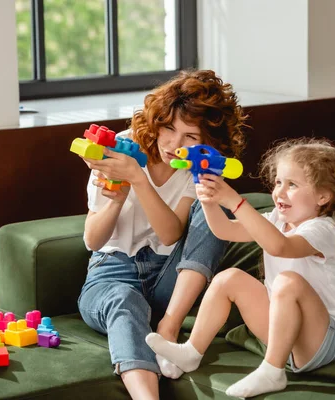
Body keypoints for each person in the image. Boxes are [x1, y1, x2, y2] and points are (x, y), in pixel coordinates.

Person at [145, 137, 335, 398]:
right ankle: (192, 352)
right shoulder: (277, 218)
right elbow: (225, 230)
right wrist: (209, 200)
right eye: (278, 182)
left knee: (288, 281)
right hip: (285, 335)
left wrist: (235, 202)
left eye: (292, 185)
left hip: (325, 341)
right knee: (229, 278)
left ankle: (272, 370)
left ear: (323, 196)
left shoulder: (323, 229)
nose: (280, 192)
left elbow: (279, 247)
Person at [77, 69, 248, 400]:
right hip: (111, 274)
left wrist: (139, 182)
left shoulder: (195, 169)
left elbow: (170, 235)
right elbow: (92, 241)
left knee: (213, 200)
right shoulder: (120, 149)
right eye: (168, 128)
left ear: (208, 142)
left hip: (170, 278)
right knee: (124, 302)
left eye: (190, 137)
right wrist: (116, 200)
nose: (174, 144)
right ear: (155, 121)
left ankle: (168, 329)